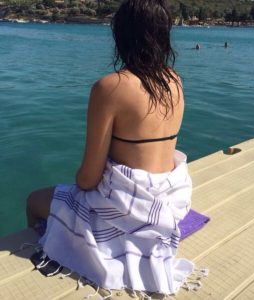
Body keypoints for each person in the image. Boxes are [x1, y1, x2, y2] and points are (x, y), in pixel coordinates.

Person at [26, 0, 196, 296]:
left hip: (122, 211)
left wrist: (80, 181)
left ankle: (56, 250)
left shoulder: (110, 88)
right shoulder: (175, 81)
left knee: (34, 200)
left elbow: (88, 180)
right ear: (163, 33)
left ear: (121, 34)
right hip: (166, 203)